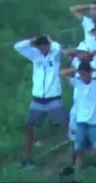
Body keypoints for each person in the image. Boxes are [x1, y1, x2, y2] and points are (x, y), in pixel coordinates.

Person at [14, 35, 66, 169]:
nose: (42, 48)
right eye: (40, 46)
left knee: (64, 125)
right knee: (28, 126)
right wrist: (32, 40)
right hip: (38, 99)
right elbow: (18, 46)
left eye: (44, 45)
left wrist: (50, 40)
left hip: (54, 97)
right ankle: (26, 158)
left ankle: (72, 154)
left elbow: (59, 48)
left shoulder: (55, 55)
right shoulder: (35, 55)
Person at [60, 63, 96, 179]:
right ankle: (77, 175)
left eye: (84, 74)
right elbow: (62, 73)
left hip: (95, 122)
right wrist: (77, 70)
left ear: (89, 73)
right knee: (79, 150)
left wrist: (94, 68)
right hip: (81, 122)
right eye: (81, 74)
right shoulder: (77, 82)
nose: (83, 76)